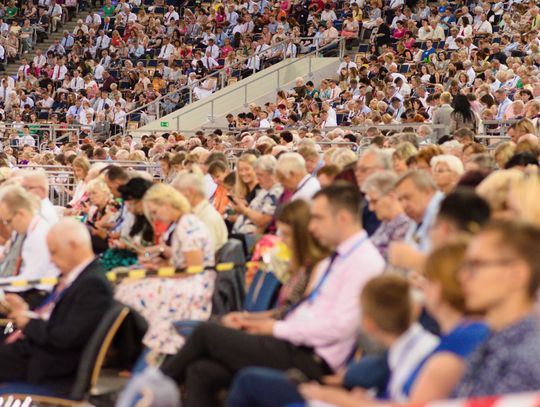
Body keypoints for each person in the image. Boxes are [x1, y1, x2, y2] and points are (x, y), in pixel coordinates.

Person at [160, 183, 385, 407]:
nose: (312, 227)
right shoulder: (336, 257)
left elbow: (339, 327)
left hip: (311, 357)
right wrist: (262, 324)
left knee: (206, 332)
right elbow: (308, 311)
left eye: (318, 218)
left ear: (343, 218)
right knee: (202, 371)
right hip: (295, 343)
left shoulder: (363, 262)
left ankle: (151, 388)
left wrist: (274, 328)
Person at [0, 218, 113, 391]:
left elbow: (65, 337)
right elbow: (56, 320)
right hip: (40, 353)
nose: (51, 260)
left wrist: (28, 322)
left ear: (73, 246)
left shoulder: (92, 285)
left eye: (54, 252)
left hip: (49, 367)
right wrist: (25, 311)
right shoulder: (78, 277)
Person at [115, 184, 215, 355]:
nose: (156, 218)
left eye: (155, 212)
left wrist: (160, 272)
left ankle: (140, 350)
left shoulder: (187, 226)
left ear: (167, 204)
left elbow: (193, 269)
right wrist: (159, 268)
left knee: (128, 290)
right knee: (128, 285)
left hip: (194, 285)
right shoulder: (184, 223)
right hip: (188, 279)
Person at [454, 221, 540, 396]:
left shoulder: (527, 356)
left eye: (476, 264)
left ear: (517, 274)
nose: (463, 276)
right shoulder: (492, 341)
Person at [402, 241, 490, 402]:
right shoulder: (474, 331)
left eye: (426, 279)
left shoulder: (460, 342)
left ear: (438, 288)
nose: (421, 285)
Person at [0, 185, 59, 308]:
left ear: (21, 214)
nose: (8, 227)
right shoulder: (31, 230)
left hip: (38, 296)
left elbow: (28, 280)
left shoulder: (39, 235)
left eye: (9, 221)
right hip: (28, 289)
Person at [388, 170, 444, 271]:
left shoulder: (445, 213)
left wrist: (414, 260)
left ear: (428, 192)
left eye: (407, 197)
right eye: (400, 200)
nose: (403, 205)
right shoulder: (417, 216)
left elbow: (448, 265)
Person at [230, 155, 283, 248]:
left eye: (261, 175)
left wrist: (243, 209)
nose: (257, 179)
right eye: (257, 174)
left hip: (249, 239)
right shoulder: (265, 190)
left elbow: (263, 221)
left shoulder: (275, 192)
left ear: (272, 174)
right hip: (240, 235)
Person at [172, 172, 227, 254]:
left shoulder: (207, 218)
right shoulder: (199, 214)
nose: (177, 199)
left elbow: (203, 256)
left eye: (179, 194)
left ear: (190, 192)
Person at [361, 171, 410, 260]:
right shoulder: (386, 223)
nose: (371, 208)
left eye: (374, 201)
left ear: (391, 197)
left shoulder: (405, 228)